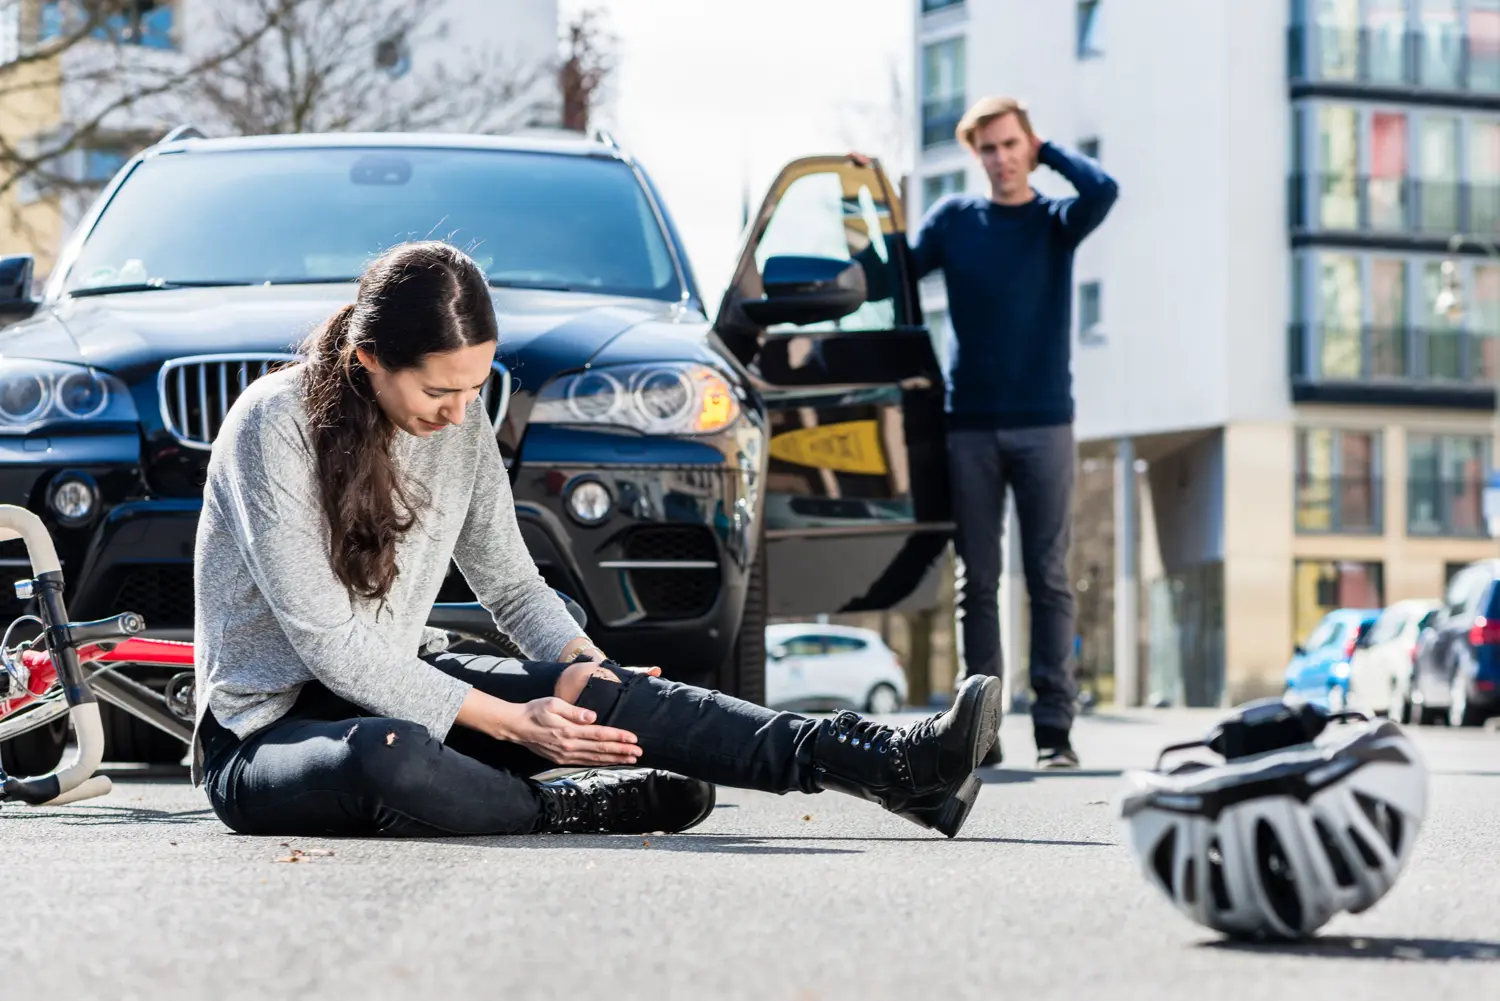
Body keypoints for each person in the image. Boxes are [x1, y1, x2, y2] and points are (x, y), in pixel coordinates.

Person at [189, 241, 1004, 839]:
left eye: (477, 386)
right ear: (369, 357)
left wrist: (587, 666)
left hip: (401, 678)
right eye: (440, 388)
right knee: (387, 752)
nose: (460, 410)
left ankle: (890, 765)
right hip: (267, 736)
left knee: (593, 688)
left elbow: (510, 584)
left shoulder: (460, 421)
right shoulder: (275, 423)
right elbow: (329, 645)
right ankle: (563, 806)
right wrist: (516, 723)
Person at [866, 96, 1118, 769]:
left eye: (1011, 144)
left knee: (1049, 575)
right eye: (989, 148)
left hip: (1045, 424)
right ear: (976, 155)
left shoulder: (1056, 221)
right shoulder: (955, 221)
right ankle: (981, 728)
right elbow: (893, 270)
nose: (1001, 159)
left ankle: (1055, 730)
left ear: (1028, 145)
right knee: (977, 581)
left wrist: (1051, 149)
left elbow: (1104, 189)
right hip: (970, 426)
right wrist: (868, 196)